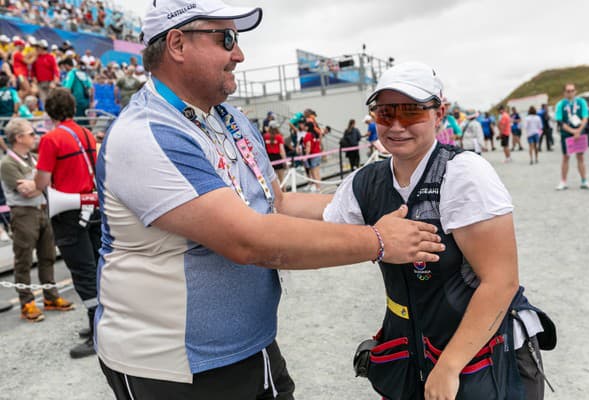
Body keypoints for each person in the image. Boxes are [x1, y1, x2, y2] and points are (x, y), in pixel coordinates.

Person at [95, 2, 445, 398]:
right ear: (176, 43)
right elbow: (248, 240)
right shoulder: (146, 134)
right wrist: (379, 241)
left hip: (249, 344)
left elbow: (276, 204)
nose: (239, 54)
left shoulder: (228, 118)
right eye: (226, 39)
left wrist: (383, 205)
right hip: (176, 366)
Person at [324, 61, 555, 400]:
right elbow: (323, 221)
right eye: (386, 114)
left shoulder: (463, 174)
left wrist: (449, 366)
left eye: (412, 112)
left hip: (483, 356)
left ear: (439, 113)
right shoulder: (368, 181)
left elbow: (500, 282)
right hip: (414, 351)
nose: (398, 125)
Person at [34, 88, 101, 358]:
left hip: (69, 214)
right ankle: (102, 324)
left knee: (83, 273)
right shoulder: (86, 133)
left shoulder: (51, 139)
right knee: (97, 267)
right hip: (92, 206)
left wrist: (34, 186)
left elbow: (41, 181)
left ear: (49, 112)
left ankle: (97, 334)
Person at [0, 118, 74, 322]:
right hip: (24, 214)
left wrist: (37, 184)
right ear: (19, 137)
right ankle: (27, 302)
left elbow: (40, 185)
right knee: (24, 259)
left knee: (47, 256)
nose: (35, 137)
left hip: (42, 210)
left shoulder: (33, 158)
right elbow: (26, 192)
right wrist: (41, 183)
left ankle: (50, 296)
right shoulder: (7, 164)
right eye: (31, 134)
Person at [555, 83, 589, 190]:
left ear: (575, 91)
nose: (570, 93)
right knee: (566, 157)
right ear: (564, 92)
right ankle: (563, 181)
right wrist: (572, 131)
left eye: (572, 90)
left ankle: (584, 180)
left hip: (579, 133)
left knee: (580, 157)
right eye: (568, 91)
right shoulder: (561, 104)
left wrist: (579, 130)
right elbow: (560, 121)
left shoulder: (581, 102)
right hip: (566, 134)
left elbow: (585, 117)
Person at [60, 58, 94, 123]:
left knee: (75, 123)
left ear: (66, 65)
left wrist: (64, 102)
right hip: (85, 103)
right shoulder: (84, 74)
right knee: (85, 122)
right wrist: (91, 102)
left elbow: (67, 88)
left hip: (74, 102)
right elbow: (92, 89)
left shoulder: (72, 73)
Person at [30, 39, 60, 104]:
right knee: (44, 101)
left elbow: (55, 70)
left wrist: (54, 82)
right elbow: (32, 71)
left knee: (51, 101)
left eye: (37, 47)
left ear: (42, 48)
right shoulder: (35, 58)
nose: (36, 49)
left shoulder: (50, 57)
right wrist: (34, 80)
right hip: (40, 83)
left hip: (50, 83)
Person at [263, 120, 287, 186]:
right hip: (278, 157)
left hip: (269, 158)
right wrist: (285, 161)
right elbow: (282, 150)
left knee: (272, 180)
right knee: (282, 178)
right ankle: (284, 193)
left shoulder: (265, 136)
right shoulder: (279, 136)